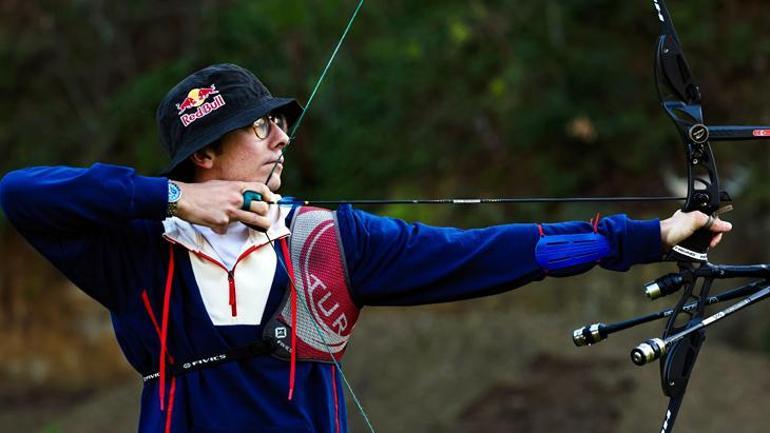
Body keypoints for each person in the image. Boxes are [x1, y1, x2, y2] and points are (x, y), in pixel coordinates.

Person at [0, 63, 731, 433]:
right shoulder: (138, 251)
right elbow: (22, 191)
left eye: (281, 125)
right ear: (205, 156)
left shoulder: (328, 239)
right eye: (261, 128)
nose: (284, 137)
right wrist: (170, 201)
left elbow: (487, 252)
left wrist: (649, 236)